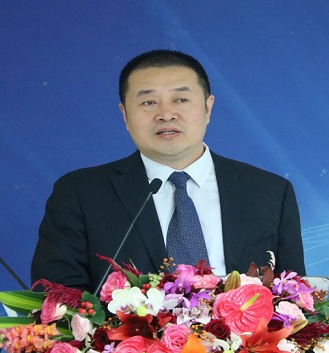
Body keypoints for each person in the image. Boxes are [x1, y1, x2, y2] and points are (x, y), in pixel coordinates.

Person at [31, 49, 305, 292]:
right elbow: (57, 300)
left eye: (181, 100)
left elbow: (295, 299)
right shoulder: (81, 194)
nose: (166, 114)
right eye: (148, 102)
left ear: (208, 108)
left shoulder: (269, 192)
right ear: (125, 114)